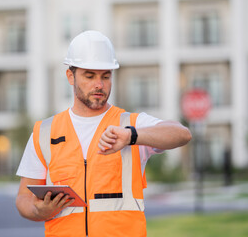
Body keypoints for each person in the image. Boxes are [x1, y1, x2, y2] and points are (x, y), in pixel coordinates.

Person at [16, 30, 192, 237]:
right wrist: (39, 210)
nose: (99, 84)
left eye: (105, 76)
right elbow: (23, 198)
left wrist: (131, 136)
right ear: (70, 76)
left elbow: (182, 134)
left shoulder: (130, 124)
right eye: (89, 76)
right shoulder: (44, 132)